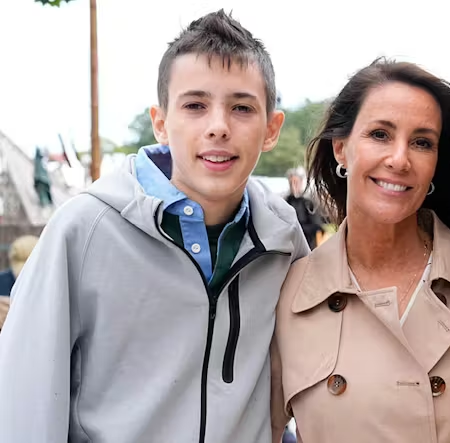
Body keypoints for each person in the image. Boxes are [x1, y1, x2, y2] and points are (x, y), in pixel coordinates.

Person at [0, 10, 308, 443]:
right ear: (160, 122)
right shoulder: (83, 229)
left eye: (241, 107)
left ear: (271, 128)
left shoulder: (284, 240)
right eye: (195, 105)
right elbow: (24, 401)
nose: (218, 127)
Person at [270, 59, 450, 442]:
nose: (400, 159)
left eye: (422, 142)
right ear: (341, 148)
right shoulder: (287, 295)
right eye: (380, 135)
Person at [285, 167, 325, 249]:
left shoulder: (309, 203)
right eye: (291, 183)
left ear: (301, 183)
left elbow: (318, 226)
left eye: (296, 183)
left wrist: (298, 229)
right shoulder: (286, 202)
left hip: (307, 245)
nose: (293, 186)